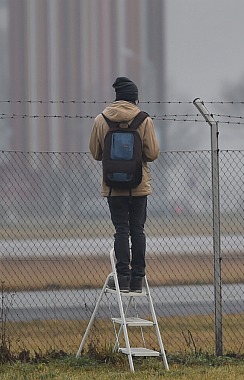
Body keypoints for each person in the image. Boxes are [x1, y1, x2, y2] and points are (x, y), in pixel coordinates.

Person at [89, 77, 160, 292]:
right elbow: (153, 154)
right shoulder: (144, 120)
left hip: (113, 187)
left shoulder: (101, 120)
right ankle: (138, 278)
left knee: (121, 229)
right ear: (134, 98)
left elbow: (95, 153)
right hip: (139, 186)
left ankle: (122, 277)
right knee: (137, 229)